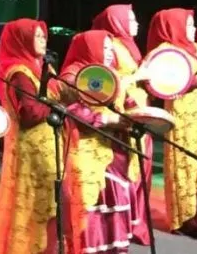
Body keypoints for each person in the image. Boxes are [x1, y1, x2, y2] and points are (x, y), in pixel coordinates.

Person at [57, 31, 139, 254]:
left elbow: (127, 102)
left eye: (110, 48)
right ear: (89, 48)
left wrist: (136, 115)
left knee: (115, 198)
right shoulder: (72, 76)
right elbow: (74, 112)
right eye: (103, 48)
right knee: (91, 204)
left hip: (115, 148)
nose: (109, 53)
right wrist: (107, 120)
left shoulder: (111, 74)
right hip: (87, 150)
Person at [0, 19, 59, 254]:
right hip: (31, 150)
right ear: (23, 40)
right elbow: (30, 113)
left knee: (47, 202)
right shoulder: (20, 73)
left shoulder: (40, 68)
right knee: (33, 204)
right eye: (37, 36)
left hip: (46, 145)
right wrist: (57, 108)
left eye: (43, 36)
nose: (43, 40)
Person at [148, 8, 197, 235]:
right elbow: (161, 81)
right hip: (184, 115)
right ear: (175, 26)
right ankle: (185, 218)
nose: (193, 29)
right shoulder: (165, 52)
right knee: (186, 164)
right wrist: (196, 80)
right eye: (189, 24)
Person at [90, 4, 151, 244]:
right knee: (128, 170)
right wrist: (137, 77)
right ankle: (127, 224)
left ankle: (136, 222)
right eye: (131, 20)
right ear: (118, 22)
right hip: (122, 113)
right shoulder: (112, 47)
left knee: (141, 168)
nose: (136, 24)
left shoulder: (128, 46)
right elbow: (107, 82)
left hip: (138, 110)